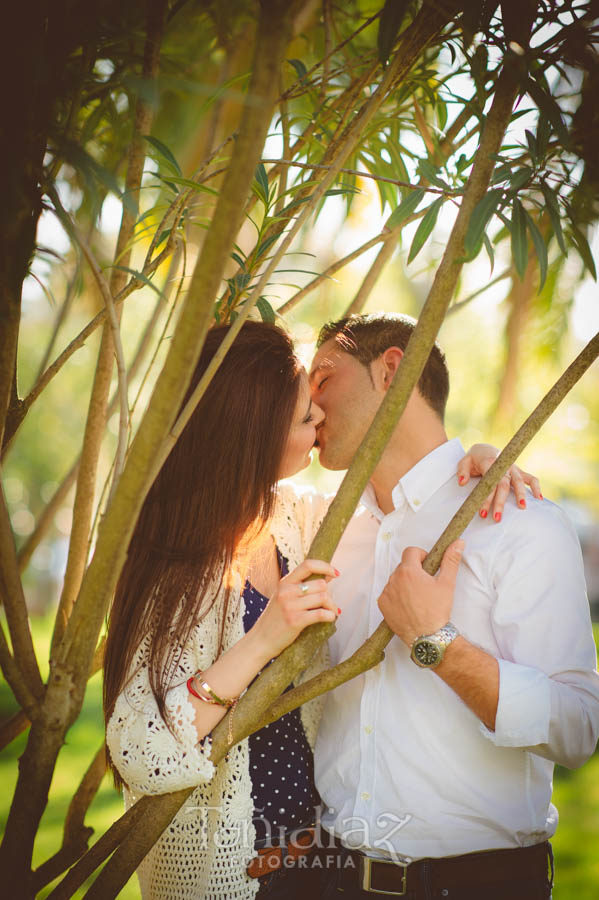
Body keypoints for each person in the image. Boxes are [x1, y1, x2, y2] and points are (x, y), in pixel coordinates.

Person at [103, 319, 534, 900]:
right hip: (225, 877)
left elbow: (401, 487)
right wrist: (261, 641)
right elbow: (142, 749)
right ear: (250, 430)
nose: (321, 422)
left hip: (320, 869)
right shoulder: (172, 561)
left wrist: (477, 463)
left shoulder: (299, 522)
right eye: (306, 416)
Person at [309, 313, 599, 900]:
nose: (310, 406)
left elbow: (578, 729)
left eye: (323, 379)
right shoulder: (321, 530)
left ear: (391, 370)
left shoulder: (517, 522)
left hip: (478, 885)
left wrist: (435, 641)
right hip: (330, 881)